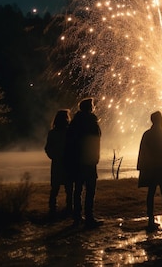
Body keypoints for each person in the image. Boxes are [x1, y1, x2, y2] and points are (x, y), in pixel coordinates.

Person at [66, 98, 103, 228]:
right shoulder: (92, 122)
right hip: (89, 160)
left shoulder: (74, 122)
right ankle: (89, 217)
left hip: (76, 160)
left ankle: (77, 217)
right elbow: (95, 140)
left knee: (78, 189)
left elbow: (70, 141)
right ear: (90, 107)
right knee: (90, 189)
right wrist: (95, 157)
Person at [44, 109, 73, 218]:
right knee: (68, 187)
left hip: (58, 163)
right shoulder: (69, 132)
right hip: (66, 163)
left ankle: (53, 208)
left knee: (56, 187)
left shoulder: (53, 133)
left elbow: (47, 148)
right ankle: (69, 207)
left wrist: (54, 157)